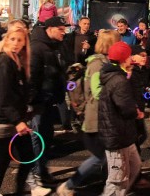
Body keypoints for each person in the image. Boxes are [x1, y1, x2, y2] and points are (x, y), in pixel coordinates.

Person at [0, 24, 52, 196]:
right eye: (12, 39)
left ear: (24, 42)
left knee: (24, 158)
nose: (15, 43)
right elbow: (2, 97)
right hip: (5, 120)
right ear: (6, 40)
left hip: (12, 119)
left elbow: (17, 92)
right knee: (3, 162)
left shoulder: (16, 60)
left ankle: (17, 191)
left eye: (20, 40)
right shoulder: (5, 62)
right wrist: (18, 121)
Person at [57, 30, 120, 196]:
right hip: (96, 117)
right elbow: (97, 91)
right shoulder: (97, 64)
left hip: (103, 116)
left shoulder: (105, 62)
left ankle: (110, 187)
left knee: (108, 156)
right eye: (117, 42)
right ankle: (69, 185)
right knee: (102, 156)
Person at [27, 16, 69, 187]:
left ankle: (42, 171)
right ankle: (35, 173)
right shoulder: (38, 47)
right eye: (61, 29)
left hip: (48, 100)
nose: (64, 32)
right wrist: (31, 103)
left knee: (46, 136)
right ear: (50, 29)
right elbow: (32, 77)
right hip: (38, 102)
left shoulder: (52, 45)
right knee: (37, 138)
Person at [98, 42, 143, 195]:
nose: (131, 58)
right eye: (129, 56)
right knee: (117, 180)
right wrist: (137, 112)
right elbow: (126, 108)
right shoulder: (119, 80)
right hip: (118, 135)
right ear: (124, 59)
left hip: (123, 134)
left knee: (134, 166)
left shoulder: (114, 75)